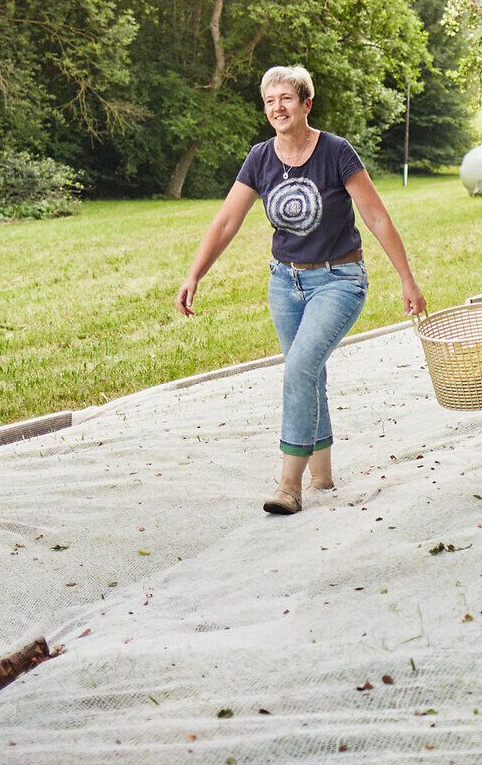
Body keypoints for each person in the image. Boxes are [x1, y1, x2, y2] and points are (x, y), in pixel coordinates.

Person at [176, 65, 426, 515]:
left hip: (339, 279)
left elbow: (377, 217)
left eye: (286, 99)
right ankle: (323, 475)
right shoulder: (260, 158)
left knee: (298, 369)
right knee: (310, 373)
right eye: (270, 101)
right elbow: (227, 221)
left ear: (306, 103)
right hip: (284, 282)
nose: (277, 108)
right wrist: (195, 274)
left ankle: (289, 486)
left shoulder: (336, 152)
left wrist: (407, 278)